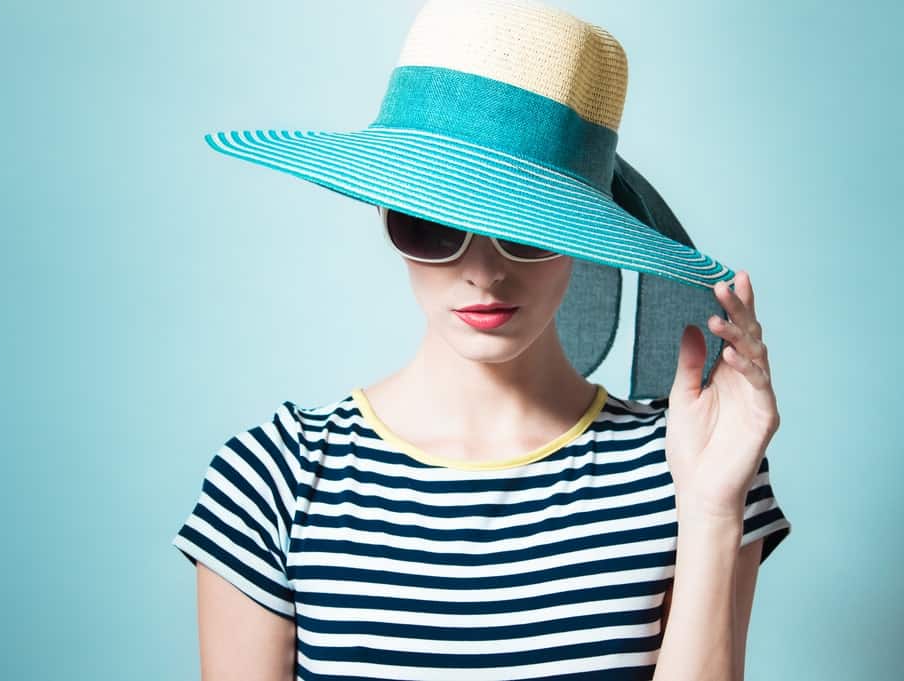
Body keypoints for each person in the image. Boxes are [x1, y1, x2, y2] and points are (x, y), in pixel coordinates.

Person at [171, 1, 792, 679]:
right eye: (434, 223)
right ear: (385, 208)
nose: (484, 271)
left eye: (528, 227)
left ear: (585, 236)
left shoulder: (685, 469)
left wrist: (708, 510)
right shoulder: (274, 482)